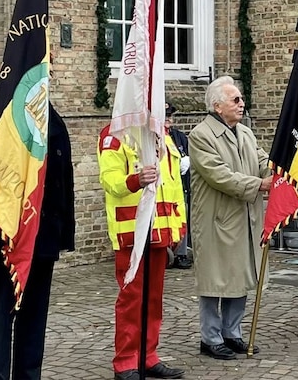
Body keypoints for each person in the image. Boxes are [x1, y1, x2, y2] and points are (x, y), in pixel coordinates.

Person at [0, 99, 75, 380]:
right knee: (1, 319)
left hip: (42, 238)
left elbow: (62, 179)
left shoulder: (52, 118)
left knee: (33, 322)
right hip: (3, 239)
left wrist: (63, 232)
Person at [188, 76, 271, 360]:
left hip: (244, 218)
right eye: (235, 100)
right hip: (217, 220)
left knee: (241, 276)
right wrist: (260, 185)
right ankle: (210, 338)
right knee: (215, 280)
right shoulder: (201, 135)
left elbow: (261, 160)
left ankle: (232, 332)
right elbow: (219, 175)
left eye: (241, 99)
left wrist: (277, 169)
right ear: (217, 106)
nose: (241, 104)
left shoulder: (245, 132)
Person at [97, 119, 188, 380]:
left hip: (160, 230)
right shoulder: (115, 134)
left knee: (153, 299)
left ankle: (148, 356)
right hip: (132, 232)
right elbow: (110, 180)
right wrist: (136, 179)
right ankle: (125, 361)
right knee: (131, 300)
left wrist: (179, 223)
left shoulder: (162, 137)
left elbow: (173, 185)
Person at [166, 103, 194, 269]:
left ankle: (181, 254)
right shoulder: (155, 136)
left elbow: (189, 154)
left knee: (182, 219)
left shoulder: (179, 136)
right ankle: (166, 252)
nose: (168, 119)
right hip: (163, 188)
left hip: (180, 186)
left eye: (170, 115)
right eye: (165, 115)